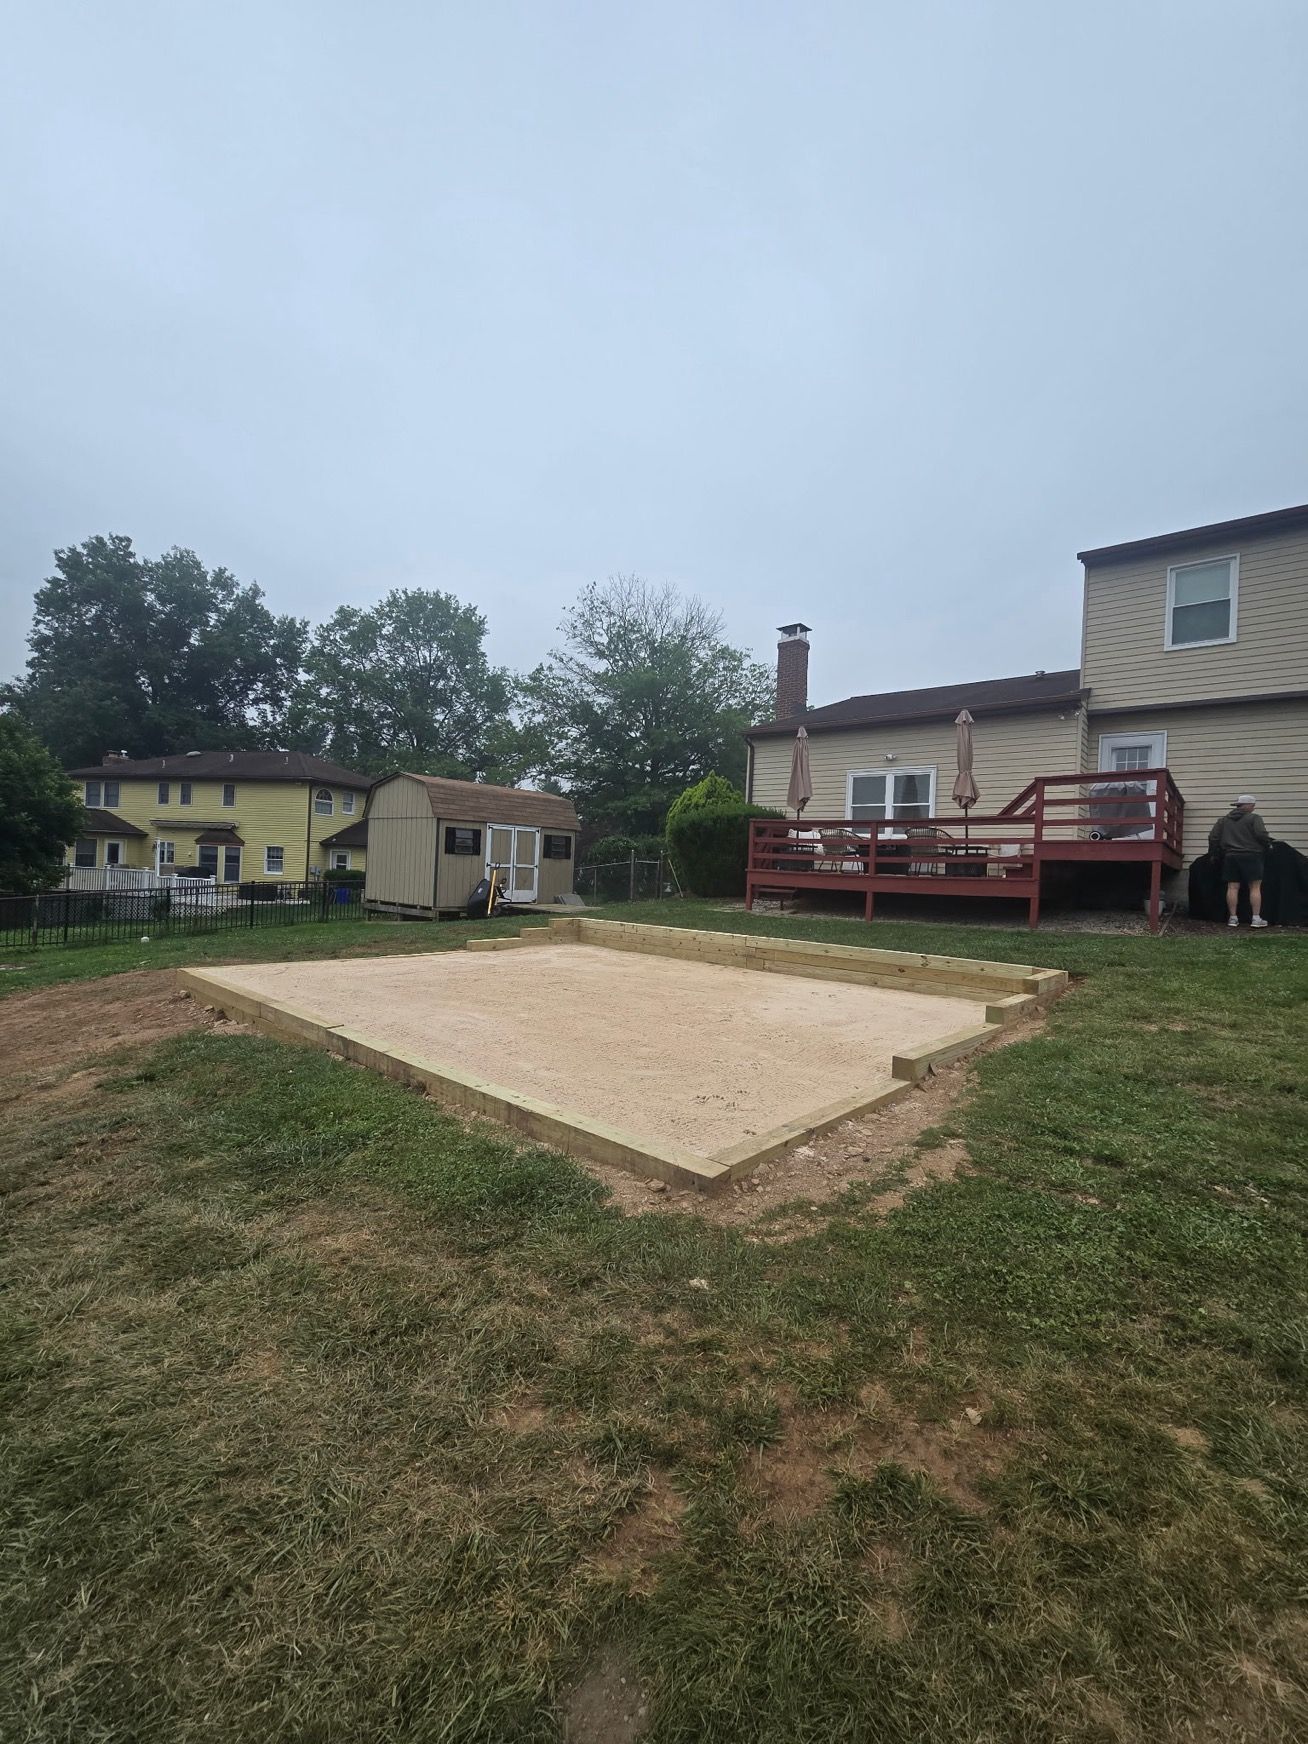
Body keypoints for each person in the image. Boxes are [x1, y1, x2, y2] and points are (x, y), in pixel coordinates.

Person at [1208, 794, 1272, 928]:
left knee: (1232, 887)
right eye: (1253, 806)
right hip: (1252, 855)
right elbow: (1261, 834)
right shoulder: (1254, 818)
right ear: (1247, 806)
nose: (1254, 808)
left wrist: (1214, 853)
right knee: (1255, 887)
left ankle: (1233, 918)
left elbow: (1213, 837)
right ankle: (1256, 919)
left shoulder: (1223, 820)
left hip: (1231, 856)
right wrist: (1268, 845)